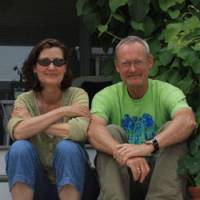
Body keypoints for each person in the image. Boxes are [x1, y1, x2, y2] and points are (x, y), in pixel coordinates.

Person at [88, 35, 196, 200]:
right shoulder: (106, 96)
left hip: (159, 176)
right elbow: (94, 130)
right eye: (126, 63)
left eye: (138, 62)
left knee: (174, 132)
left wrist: (149, 147)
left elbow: (187, 121)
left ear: (150, 62)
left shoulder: (167, 91)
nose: (132, 69)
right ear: (117, 66)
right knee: (109, 132)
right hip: (124, 176)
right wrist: (123, 153)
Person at [5, 38, 90, 200]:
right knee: (19, 148)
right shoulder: (24, 100)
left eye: (58, 62)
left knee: (68, 148)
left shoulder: (78, 95)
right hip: (38, 185)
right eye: (45, 62)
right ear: (35, 68)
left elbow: (79, 132)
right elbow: (18, 132)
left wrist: (34, 122)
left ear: (65, 67)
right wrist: (63, 112)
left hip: (79, 184)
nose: (52, 67)